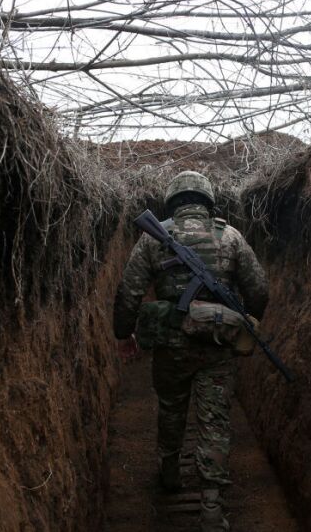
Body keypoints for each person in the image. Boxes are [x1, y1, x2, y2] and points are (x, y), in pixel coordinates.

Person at [112, 170, 269, 531]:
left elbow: (128, 291)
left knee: (171, 408)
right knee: (214, 420)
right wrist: (246, 321)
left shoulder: (154, 240)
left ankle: (169, 472)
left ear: (172, 201)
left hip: (172, 346)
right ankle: (212, 505)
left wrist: (124, 335)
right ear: (207, 200)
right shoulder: (230, 237)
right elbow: (259, 289)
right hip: (218, 347)